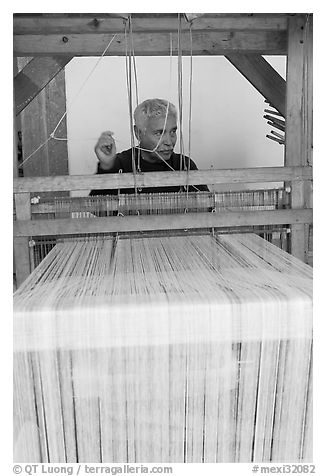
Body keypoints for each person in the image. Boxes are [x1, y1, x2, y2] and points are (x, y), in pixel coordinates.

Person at [90, 98, 208, 195]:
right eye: (159, 133)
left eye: (172, 132)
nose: (169, 142)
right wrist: (107, 166)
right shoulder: (121, 165)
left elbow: (207, 209)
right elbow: (98, 209)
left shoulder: (184, 165)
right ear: (138, 133)